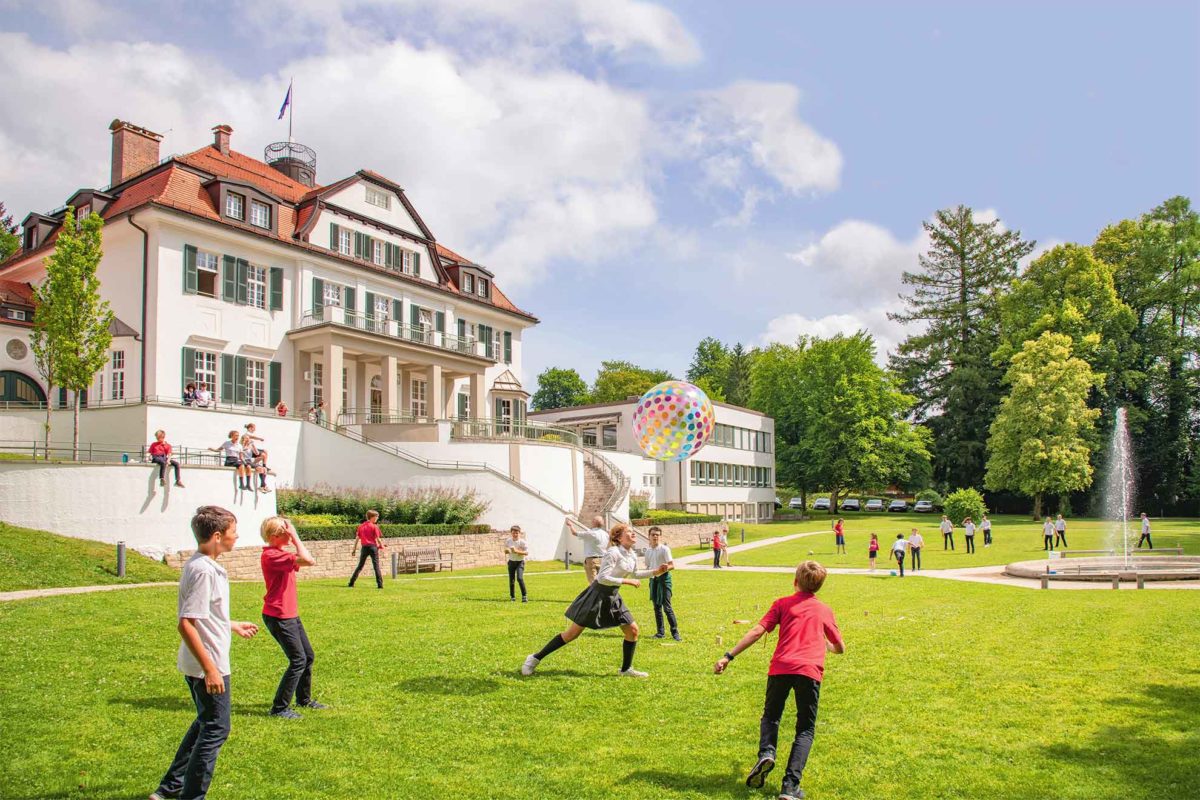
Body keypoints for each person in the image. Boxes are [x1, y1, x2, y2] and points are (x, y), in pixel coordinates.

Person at [149, 506, 258, 800]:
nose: (237, 537)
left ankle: (169, 788)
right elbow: (186, 624)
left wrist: (231, 624)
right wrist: (210, 669)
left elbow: (204, 613)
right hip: (206, 663)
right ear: (217, 535)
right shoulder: (203, 571)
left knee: (205, 722)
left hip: (202, 661)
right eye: (233, 531)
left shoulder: (203, 565)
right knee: (216, 729)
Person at [713, 561, 845, 800]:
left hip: (781, 668)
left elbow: (756, 631)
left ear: (795, 582)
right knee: (805, 728)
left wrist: (728, 656)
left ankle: (767, 752)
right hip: (809, 671)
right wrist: (825, 644)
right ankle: (790, 787)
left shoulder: (782, 603)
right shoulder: (824, 610)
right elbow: (840, 647)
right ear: (819, 587)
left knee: (771, 716)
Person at [521, 523, 668, 678]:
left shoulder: (631, 554)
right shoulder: (612, 552)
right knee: (572, 634)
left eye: (633, 531)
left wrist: (656, 572)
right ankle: (534, 658)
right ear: (618, 537)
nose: (633, 534)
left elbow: (635, 573)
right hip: (597, 594)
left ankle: (626, 670)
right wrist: (626, 582)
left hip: (613, 595)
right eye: (629, 532)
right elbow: (602, 578)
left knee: (633, 631)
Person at [259, 516, 326, 719]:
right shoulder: (271, 555)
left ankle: (303, 700)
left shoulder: (279, 554)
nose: (288, 536)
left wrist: (293, 537)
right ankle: (279, 708)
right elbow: (308, 560)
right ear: (273, 536)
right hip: (278, 616)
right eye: (284, 534)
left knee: (308, 656)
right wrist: (296, 537)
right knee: (297, 660)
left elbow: (305, 561)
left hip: (289, 614)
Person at [644, 526, 680, 641]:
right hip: (653, 580)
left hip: (664, 579)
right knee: (656, 607)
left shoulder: (665, 549)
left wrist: (666, 568)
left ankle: (675, 634)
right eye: (653, 534)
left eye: (657, 535)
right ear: (649, 536)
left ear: (660, 537)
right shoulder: (648, 551)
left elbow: (672, 565)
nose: (655, 537)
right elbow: (648, 566)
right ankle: (660, 633)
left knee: (667, 607)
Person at [566, 515, 609, 583]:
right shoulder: (606, 534)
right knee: (602, 582)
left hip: (592, 560)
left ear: (594, 522)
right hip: (603, 559)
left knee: (593, 583)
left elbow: (574, 533)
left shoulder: (591, 533)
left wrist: (570, 525)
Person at [349, 510, 386, 589]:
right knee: (376, 566)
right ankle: (380, 585)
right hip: (373, 547)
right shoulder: (374, 526)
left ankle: (351, 583)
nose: (377, 518)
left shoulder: (361, 526)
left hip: (364, 548)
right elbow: (378, 539)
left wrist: (354, 549)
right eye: (376, 516)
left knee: (360, 566)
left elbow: (357, 538)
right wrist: (382, 547)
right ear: (372, 517)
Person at [504, 525, 529, 602]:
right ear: (511, 533)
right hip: (511, 562)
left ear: (519, 533)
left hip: (520, 562)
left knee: (520, 578)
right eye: (513, 533)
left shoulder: (522, 542)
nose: (515, 534)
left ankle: (524, 596)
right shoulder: (508, 541)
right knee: (511, 580)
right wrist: (508, 551)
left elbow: (526, 553)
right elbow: (505, 551)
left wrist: (516, 551)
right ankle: (512, 597)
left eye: (516, 533)